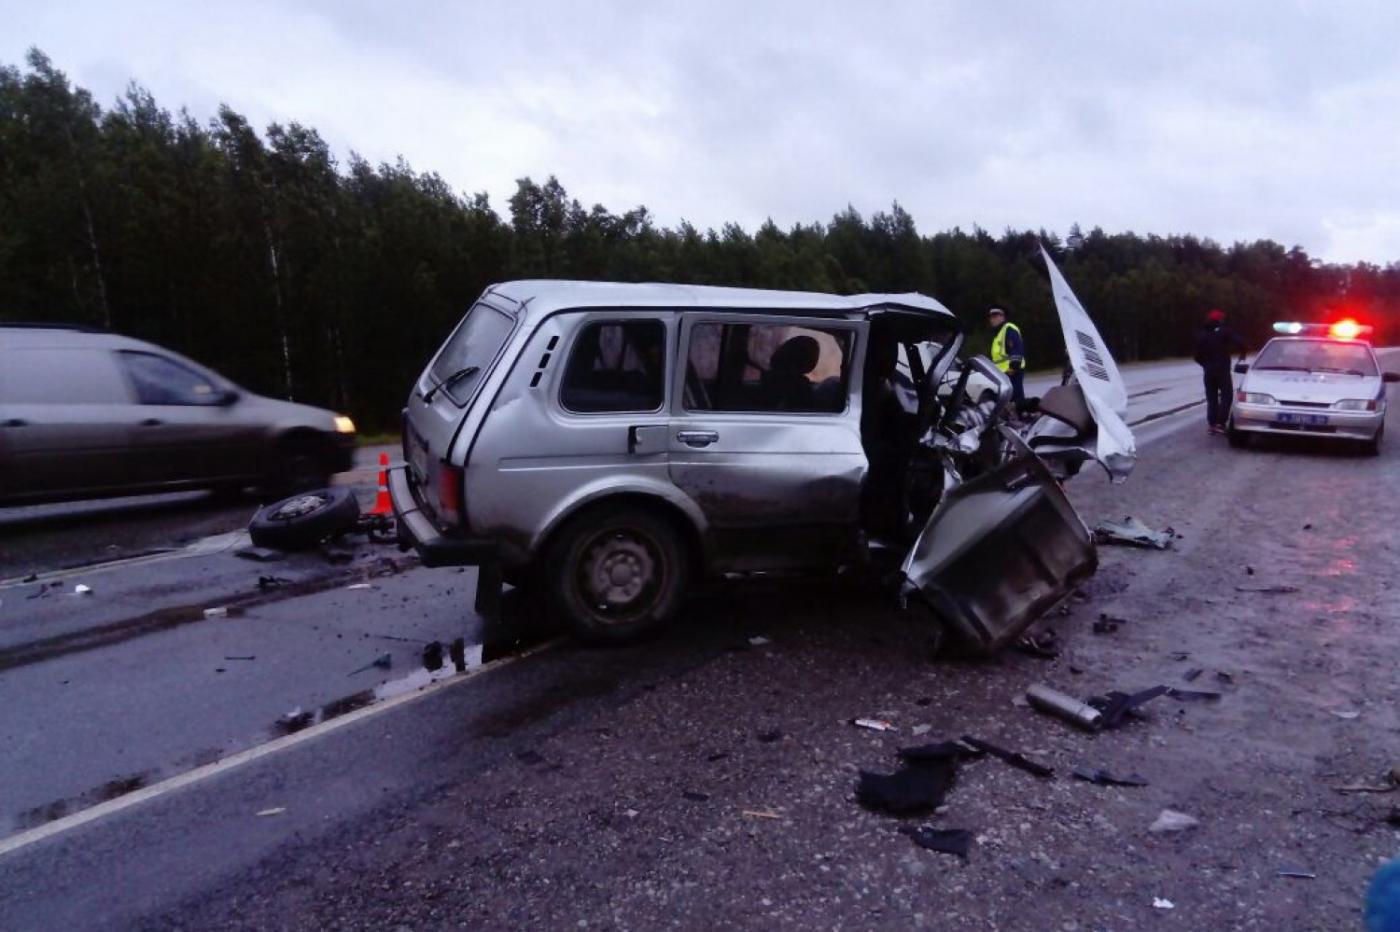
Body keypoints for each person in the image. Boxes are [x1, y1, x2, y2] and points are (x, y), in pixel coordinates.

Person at [1193, 309, 1248, 435]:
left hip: (1208, 371)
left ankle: (1212, 425)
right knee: (1226, 396)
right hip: (1222, 370)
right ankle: (1221, 423)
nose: (1223, 320)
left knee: (1211, 398)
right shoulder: (1225, 331)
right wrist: (1242, 354)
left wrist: (1205, 365)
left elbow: (1196, 356)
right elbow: (1240, 342)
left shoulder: (1202, 334)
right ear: (1219, 320)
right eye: (1222, 318)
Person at [988, 307, 1026, 409]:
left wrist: (1013, 366)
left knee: (1015, 397)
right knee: (1007, 399)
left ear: (1002, 317)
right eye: (991, 317)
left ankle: (1021, 416)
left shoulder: (1009, 328)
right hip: (1002, 372)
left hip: (1011, 370)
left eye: (996, 316)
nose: (993, 319)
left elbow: (1016, 347)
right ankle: (1017, 416)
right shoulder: (997, 333)